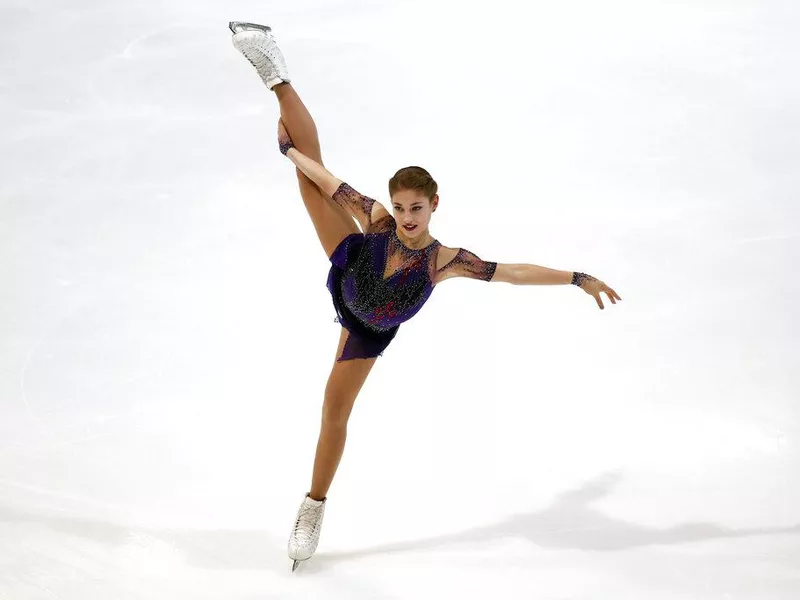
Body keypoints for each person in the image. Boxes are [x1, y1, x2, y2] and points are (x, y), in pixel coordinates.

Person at [227, 21, 622, 571]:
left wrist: (577, 277)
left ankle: (313, 504)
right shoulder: (379, 220)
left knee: (334, 411)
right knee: (308, 179)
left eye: (417, 207)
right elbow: (333, 183)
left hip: (368, 327)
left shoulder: (444, 261)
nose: (408, 217)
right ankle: (274, 71)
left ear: (434, 204)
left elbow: (512, 272)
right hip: (350, 263)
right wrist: (291, 156)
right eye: (402, 206)